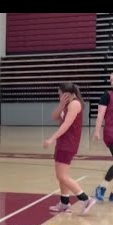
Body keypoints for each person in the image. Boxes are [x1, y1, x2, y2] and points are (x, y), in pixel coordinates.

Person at [43, 82, 96, 215]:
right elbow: (54, 117)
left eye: (60, 93)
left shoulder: (75, 104)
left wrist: (51, 138)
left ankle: (86, 199)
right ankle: (64, 203)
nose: (58, 94)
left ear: (66, 93)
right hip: (63, 143)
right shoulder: (66, 104)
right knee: (61, 176)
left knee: (63, 176)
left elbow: (65, 125)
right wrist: (61, 104)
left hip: (68, 143)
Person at [94, 73, 113, 201]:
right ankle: (102, 187)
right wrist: (96, 131)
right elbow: (100, 115)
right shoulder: (106, 95)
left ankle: (109, 192)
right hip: (111, 133)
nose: (111, 81)